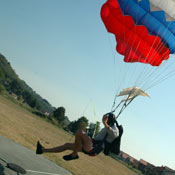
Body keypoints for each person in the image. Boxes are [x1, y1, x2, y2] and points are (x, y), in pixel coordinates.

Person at [36, 113, 120, 161]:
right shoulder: (107, 127)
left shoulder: (115, 129)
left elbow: (113, 134)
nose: (105, 120)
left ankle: (74, 154)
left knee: (80, 132)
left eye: (106, 119)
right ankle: (42, 150)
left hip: (94, 149)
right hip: (91, 144)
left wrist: (105, 123)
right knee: (66, 145)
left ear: (109, 120)